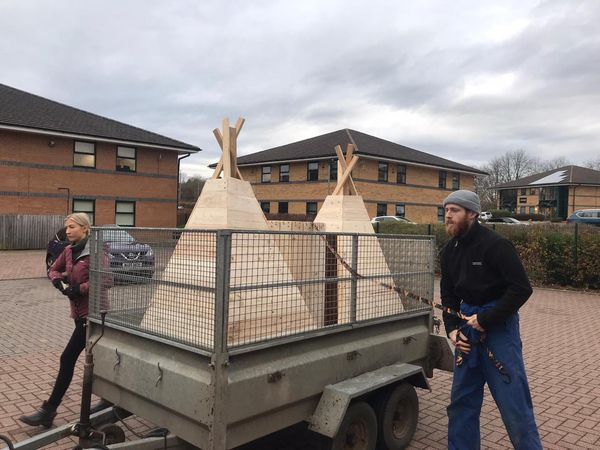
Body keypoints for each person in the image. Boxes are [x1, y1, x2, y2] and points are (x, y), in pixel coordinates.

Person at [440, 190, 542, 450]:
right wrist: (452, 329)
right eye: (446, 210)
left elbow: (521, 288)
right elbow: (448, 294)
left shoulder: (496, 245)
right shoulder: (449, 251)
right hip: (466, 330)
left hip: (499, 329)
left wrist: (486, 319)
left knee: (514, 404)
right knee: (461, 404)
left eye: (454, 210)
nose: (448, 216)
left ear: (472, 214)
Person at [20, 213, 110, 428]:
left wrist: (78, 289)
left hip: (96, 315)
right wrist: (59, 283)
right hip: (78, 315)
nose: (67, 231)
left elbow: (106, 280)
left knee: (67, 358)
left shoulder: (97, 251)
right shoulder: (69, 251)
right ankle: (108, 400)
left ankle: (48, 410)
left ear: (85, 229)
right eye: (66, 227)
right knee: (99, 357)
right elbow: (53, 269)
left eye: (72, 227)